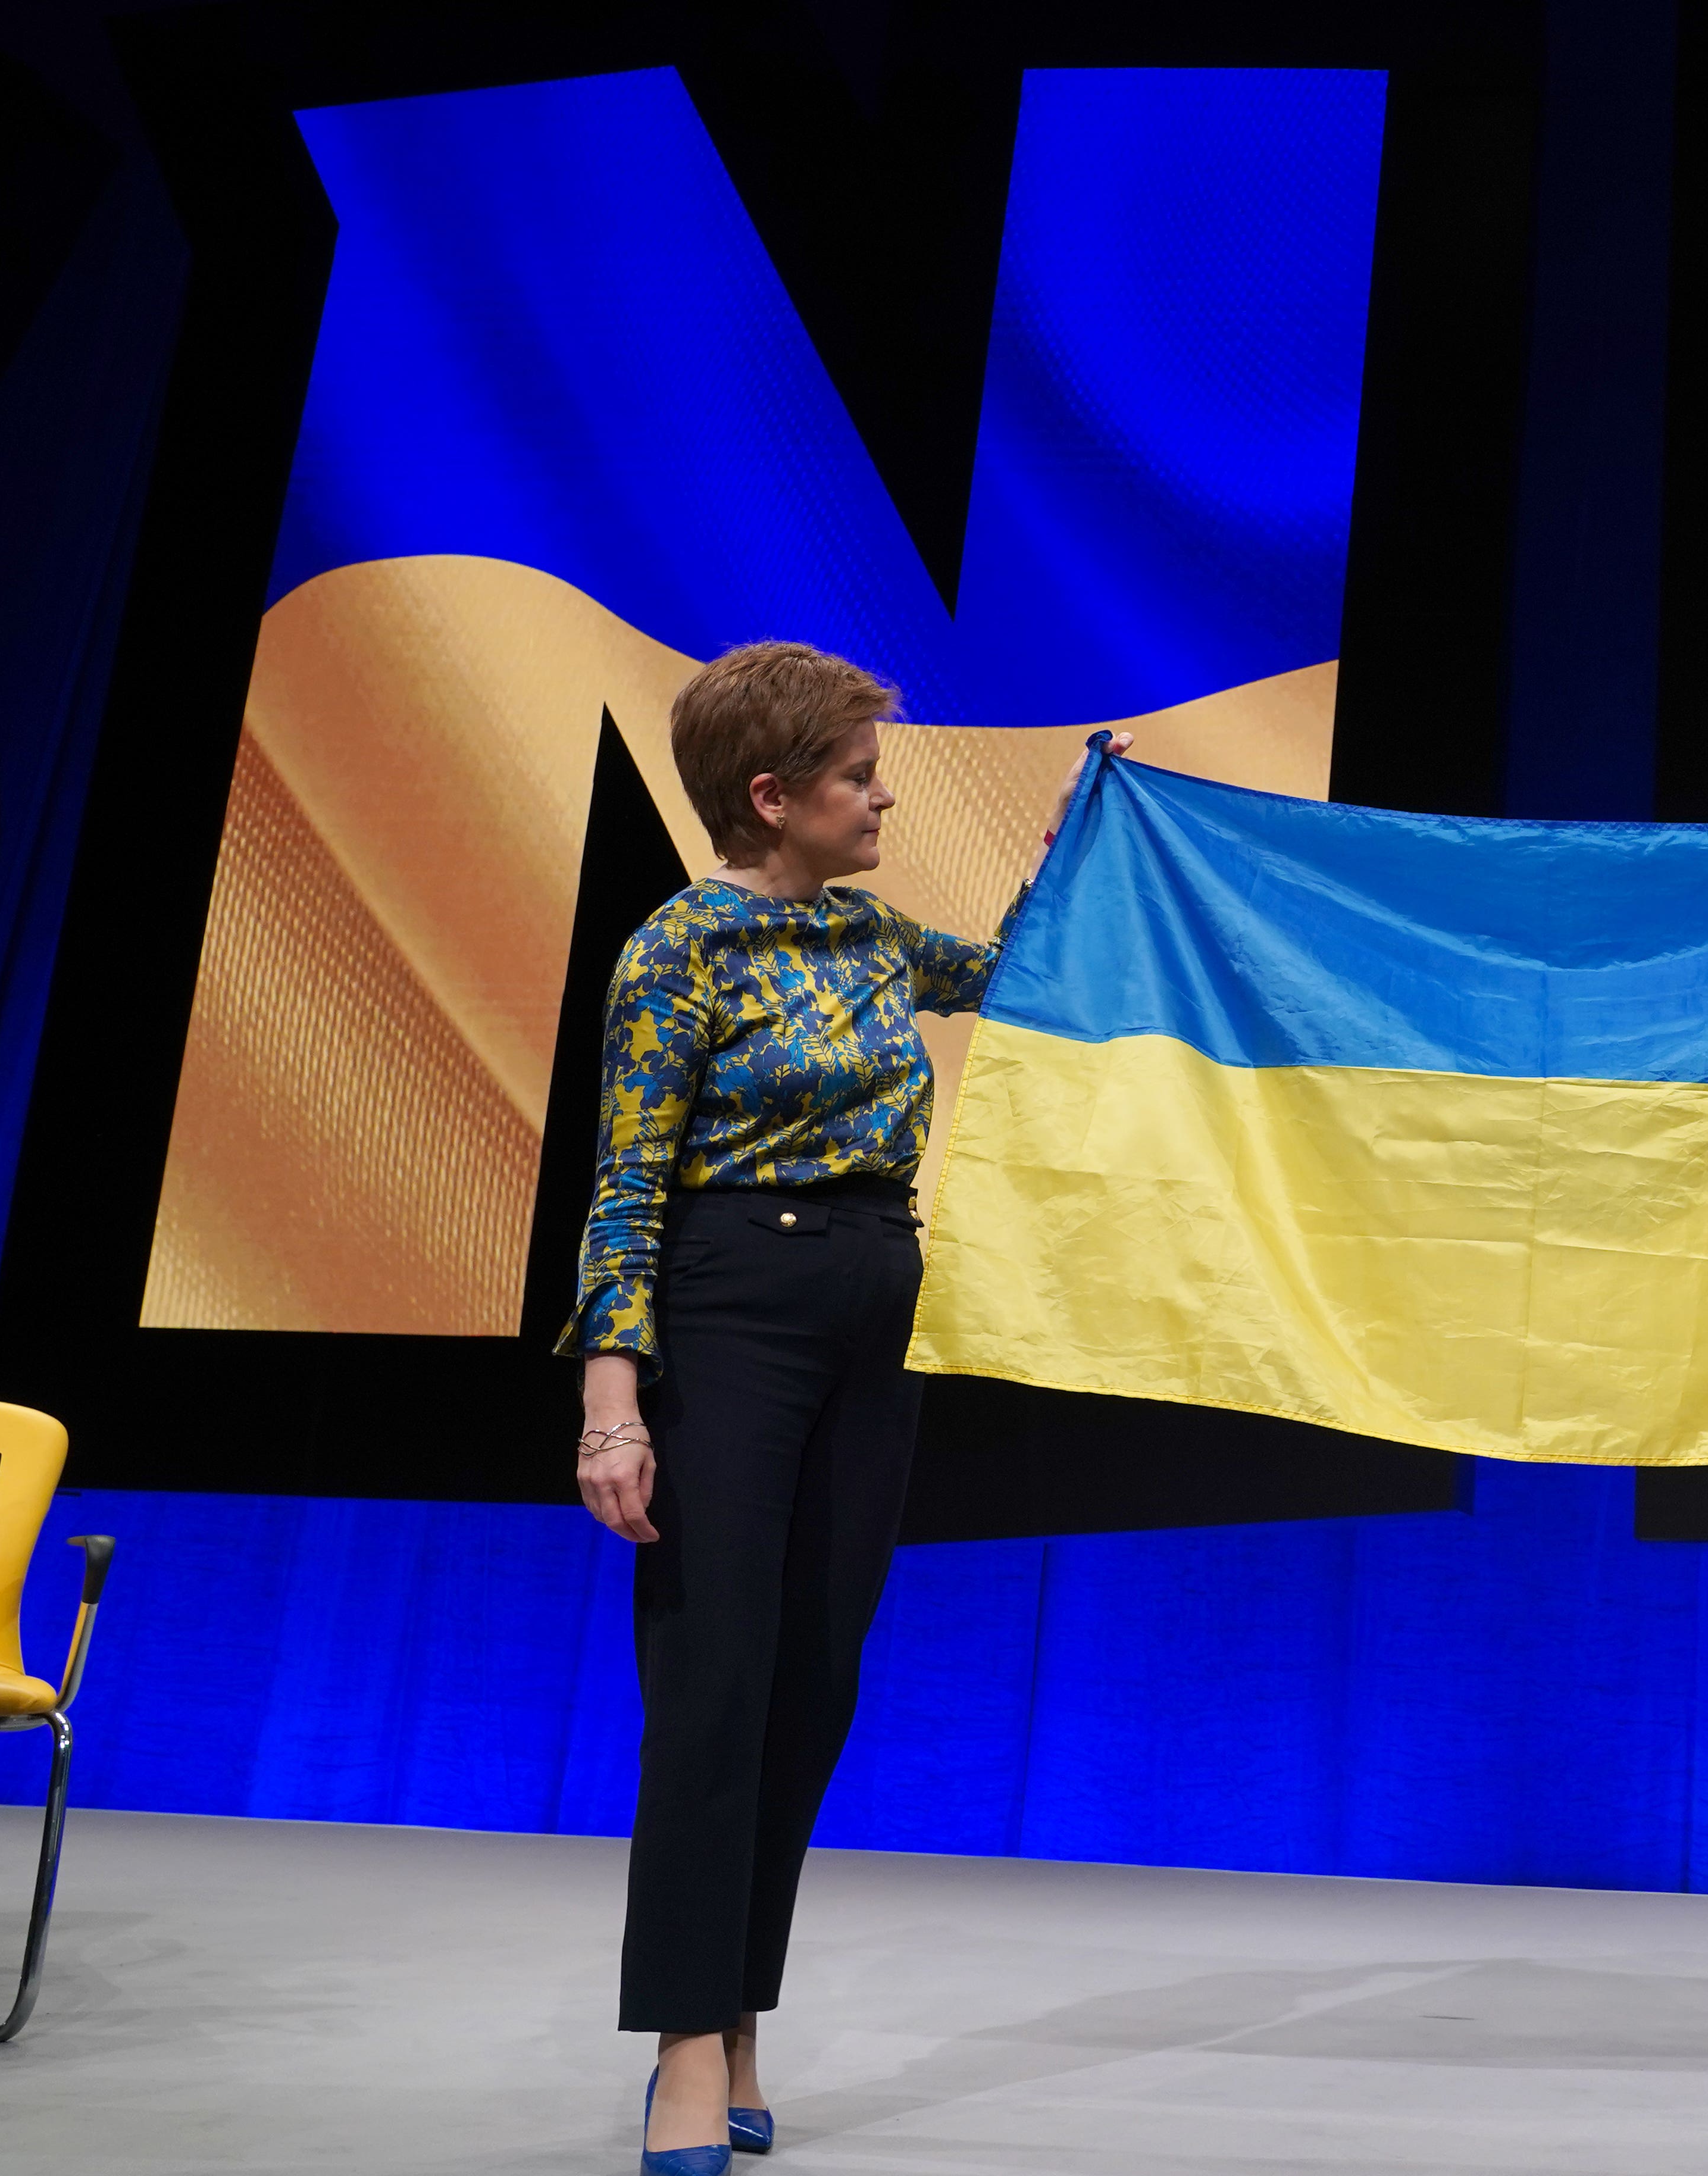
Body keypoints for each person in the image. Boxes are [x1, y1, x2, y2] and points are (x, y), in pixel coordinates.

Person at [562, 641, 1125, 2174]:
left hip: (882, 1306)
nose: (880, 797)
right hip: (732, 1306)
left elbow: (1025, 977)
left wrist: (1098, 824)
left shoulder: (872, 933)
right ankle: (686, 2041)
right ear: (771, 796)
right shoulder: (679, 952)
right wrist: (614, 1400)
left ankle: (742, 2001)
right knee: (714, 1683)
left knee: (813, 1680)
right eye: (857, 775)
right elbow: (625, 1185)